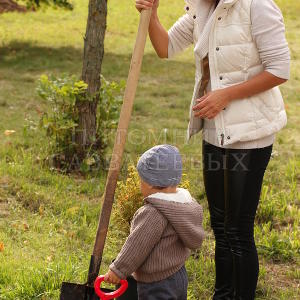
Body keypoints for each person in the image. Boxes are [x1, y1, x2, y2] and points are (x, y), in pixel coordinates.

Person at [135, 0, 290, 299]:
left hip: (249, 134)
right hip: (214, 130)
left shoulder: (257, 6)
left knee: (238, 230)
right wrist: (152, 16)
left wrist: (225, 96)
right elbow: (165, 47)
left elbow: (279, 70)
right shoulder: (200, 7)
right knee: (220, 226)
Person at [104, 144, 205, 300]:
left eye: (141, 180)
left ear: (150, 183)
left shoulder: (153, 213)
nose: (139, 185)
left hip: (157, 283)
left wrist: (118, 270)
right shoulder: (184, 206)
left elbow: (137, 245)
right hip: (178, 275)